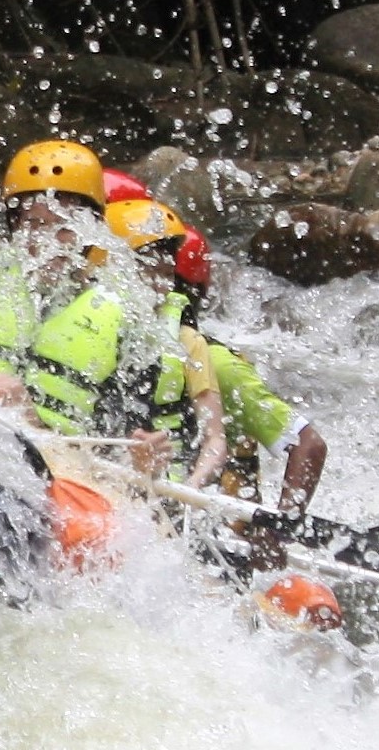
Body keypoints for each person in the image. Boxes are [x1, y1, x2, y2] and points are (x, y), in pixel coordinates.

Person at [0, 140, 179, 471]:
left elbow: (125, 436)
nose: (47, 241)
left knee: (2, 389)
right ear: (13, 227)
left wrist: (143, 457)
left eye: (64, 227)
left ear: (89, 231)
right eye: (34, 224)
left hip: (60, 468)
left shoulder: (125, 317)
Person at [111, 205, 328, 519]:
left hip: (214, 522)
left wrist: (279, 527)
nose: (158, 287)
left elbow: (309, 444)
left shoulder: (215, 361)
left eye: (162, 275)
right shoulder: (115, 342)